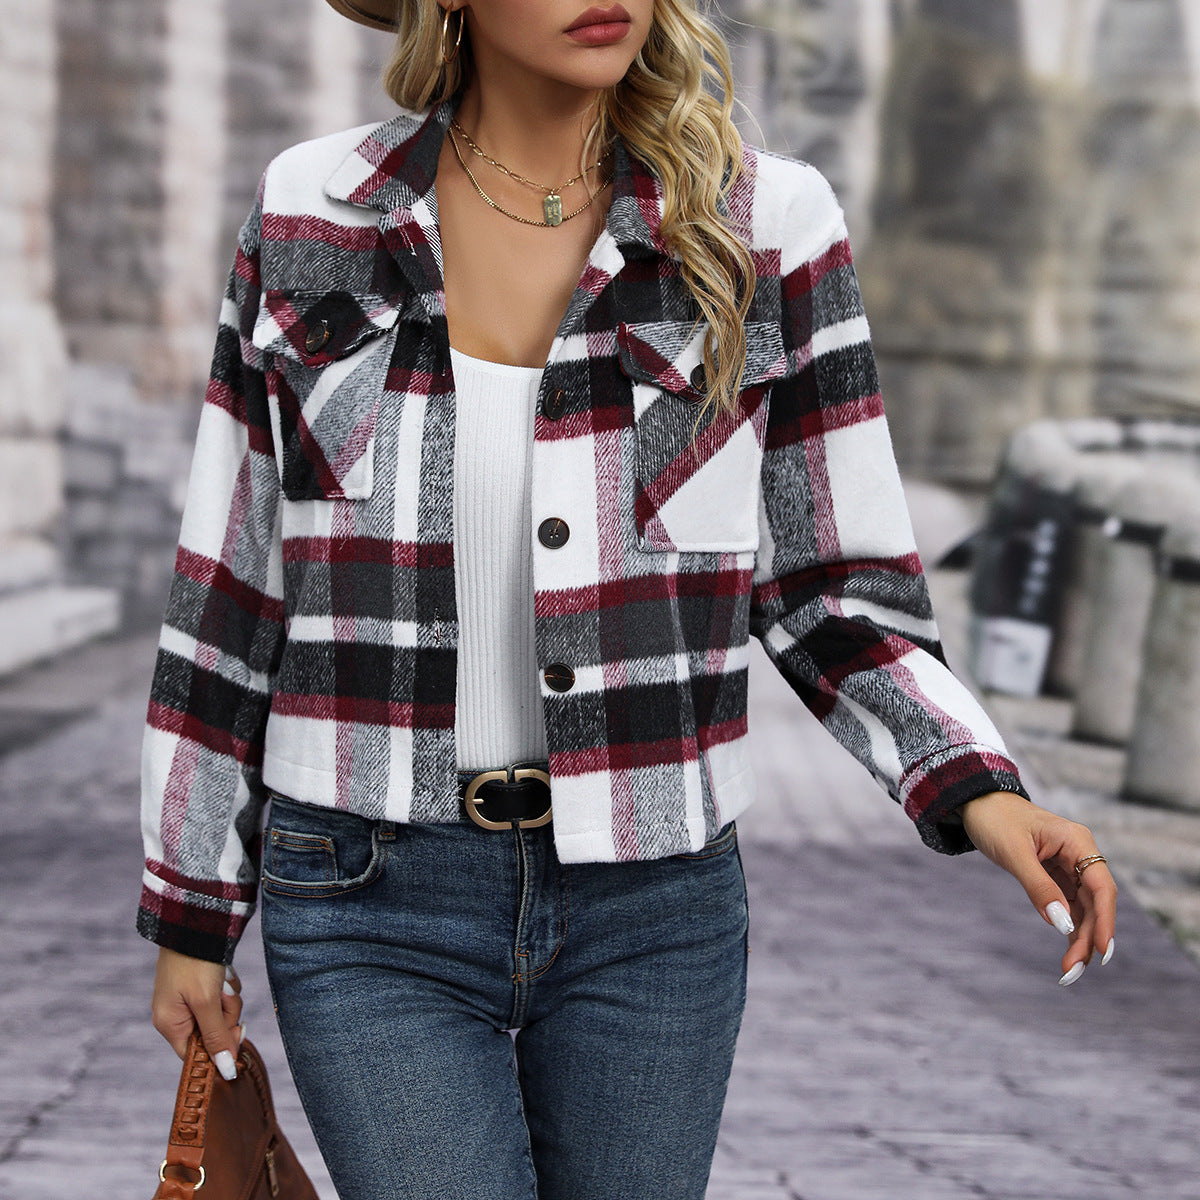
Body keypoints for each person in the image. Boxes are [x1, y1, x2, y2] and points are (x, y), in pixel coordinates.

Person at [139, 1, 1118, 1196]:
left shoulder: (767, 227)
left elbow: (832, 585)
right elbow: (234, 584)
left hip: (654, 904)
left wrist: (980, 789)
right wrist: (190, 912)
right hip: (364, 892)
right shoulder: (312, 211)